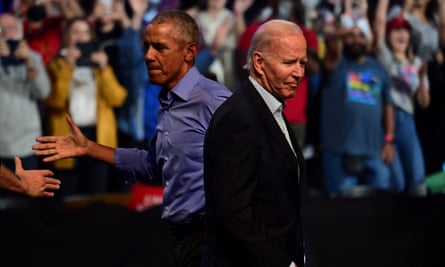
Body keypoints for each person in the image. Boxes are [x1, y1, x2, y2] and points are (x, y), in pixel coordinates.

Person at [32, 9, 232, 266]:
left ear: (190, 52)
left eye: (159, 47)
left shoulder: (213, 100)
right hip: (181, 237)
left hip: (212, 239)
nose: (148, 56)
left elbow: (250, 168)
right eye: (146, 46)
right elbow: (152, 166)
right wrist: (89, 148)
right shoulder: (170, 101)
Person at [203, 19, 307, 267]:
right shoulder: (238, 117)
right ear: (259, 63)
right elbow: (232, 212)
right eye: (289, 62)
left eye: (302, 63)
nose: (299, 72)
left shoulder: (270, 108)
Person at [43, 16, 127, 197]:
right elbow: (55, 101)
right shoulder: (56, 65)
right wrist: (68, 67)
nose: (81, 36)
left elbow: (117, 99)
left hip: (97, 136)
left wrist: (104, 69)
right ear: (67, 37)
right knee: (69, 194)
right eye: (75, 32)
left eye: (85, 32)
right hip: (68, 136)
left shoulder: (100, 66)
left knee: (96, 195)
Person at [319, 3, 395, 197]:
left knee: (381, 207)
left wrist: (388, 141)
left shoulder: (378, 68)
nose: (356, 40)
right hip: (339, 151)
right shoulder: (336, 63)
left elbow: (387, 107)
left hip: (373, 151)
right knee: (341, 212)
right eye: (351, 35)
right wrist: (338, 34)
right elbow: (331, 55)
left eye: (361, 35)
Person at [374, 0, 430, 194]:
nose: (401, 34)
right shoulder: (385, 57)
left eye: (405, 30)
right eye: (396, 30)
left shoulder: (417, 63)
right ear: (388, 35)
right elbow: (380, 22)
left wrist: (422, 80)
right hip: (386, 121)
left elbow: (424, 103)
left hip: (408, 121)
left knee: (418, 180)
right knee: (395, 181)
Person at [0, 12, 50, 179]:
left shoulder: (33, 58)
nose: (6, 33)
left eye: (11, 28)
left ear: (21, 31)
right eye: (1, 29)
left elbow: (43, 92)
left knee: (26, 201)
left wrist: (28, 63)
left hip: (26, 143)